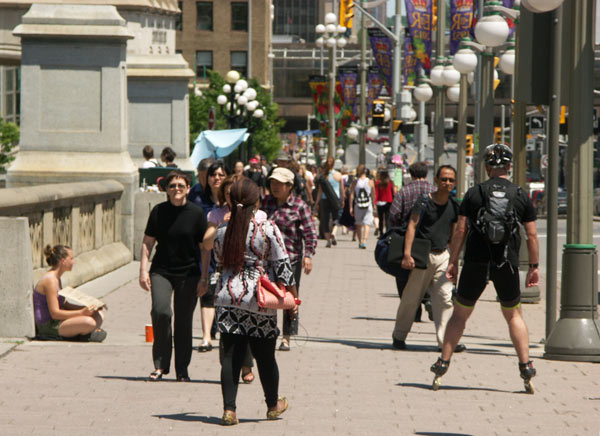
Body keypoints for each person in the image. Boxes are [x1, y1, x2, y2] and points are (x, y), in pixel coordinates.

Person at [430, 144, 539, 393]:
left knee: (460, 314)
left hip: (476, 262)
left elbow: (460, 230)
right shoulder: (520, 195)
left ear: (487, 167)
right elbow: (532, 236)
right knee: (513, 315)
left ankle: (443, 362)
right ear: (509, 167)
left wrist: (453, 261)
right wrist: (533, 267)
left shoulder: (475, 193)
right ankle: (526, 366)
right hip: (507, 263)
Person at [213, 178, 297, 425]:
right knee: (265, 355)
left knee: (230, 356)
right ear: (256, 201)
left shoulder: (221, 230)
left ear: (230, 200)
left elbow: (218, 259)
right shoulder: (268, 228)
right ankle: (272, 405)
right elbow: (283, 266)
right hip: (260, 298)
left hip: (228, 296)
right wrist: (292, 297)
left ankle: (230, 410)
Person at [139, 170, 209, 381]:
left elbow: (205, 248)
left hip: (189, 273)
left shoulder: (197, 214)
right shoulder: (159, 212)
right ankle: (160, 365)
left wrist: (204, 277)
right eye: (172, 186)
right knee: (161, 312)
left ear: (188, 188)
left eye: (181, 185)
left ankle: (182, 369)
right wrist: (143, 270)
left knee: (184, 321)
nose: (176, 189)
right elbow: (147, 242)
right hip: (162, 270)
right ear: (166, 189)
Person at [391, 165, 466, 353]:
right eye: (444, 179)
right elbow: (412, 226)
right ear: (436, 181)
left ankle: (445, 341)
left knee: (445, 298)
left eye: (450, 180)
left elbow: (455, 233)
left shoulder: (454, 205)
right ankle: (399, 336)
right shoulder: (424, 201)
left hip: (443, 256)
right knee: (411, 298)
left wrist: (453, 260)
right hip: (422, 257)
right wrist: (407, 254)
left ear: (454, 183)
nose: (447, 183)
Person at [205, 174, 267, 384]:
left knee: (245, 328)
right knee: (230, 334)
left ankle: (245, 367)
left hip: (244, 283)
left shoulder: (260, 219)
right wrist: (221, 226)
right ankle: (232, 371)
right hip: (232, 283)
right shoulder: (218, 217)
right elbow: (208, 246)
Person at [262, 167, 317, 351]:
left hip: (290, 259)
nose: (275, 186)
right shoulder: (265, 203)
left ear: (289, 186)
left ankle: (286, 337)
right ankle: (267, 331)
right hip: (266, 260)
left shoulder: (299, 206)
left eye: (279, 183)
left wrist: (308, 255)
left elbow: (310, 232)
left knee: (289, 297)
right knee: (268, 296)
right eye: (272, 182)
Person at [389, 161, 436, 322]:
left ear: (411, 174)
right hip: (429, 239)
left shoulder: (404, 191)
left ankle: (413, 312)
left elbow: (394, 213)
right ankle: (428, 299)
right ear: (427, 174)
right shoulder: (434, 190)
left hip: (406, 237)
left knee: (403, 274)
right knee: (426, 272)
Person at [190, 160, 228, 352]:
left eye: (221, 175)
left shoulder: (231, 199)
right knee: (207, 293)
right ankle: (206, 337)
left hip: (227, 255)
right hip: (204, 251)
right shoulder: (197, 198)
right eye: (213, 175)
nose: (216, 178)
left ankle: (219, 331)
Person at [34, 245, 106, 341]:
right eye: (71, 258)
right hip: (49, 325)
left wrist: (89, 308)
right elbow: (55, 313)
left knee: (99, 314)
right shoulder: (50, 281)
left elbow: (64, 304)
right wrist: (81, 313)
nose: (73, 262)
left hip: (58, 320)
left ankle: (84, 332)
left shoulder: (57, 278)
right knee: (89, 322)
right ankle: (84, 334)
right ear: (63, 261)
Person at [315, 156, 344, 248]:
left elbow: (320, 191)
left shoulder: (323, 176)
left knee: (325, 220)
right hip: (335, 199)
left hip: (324, 200)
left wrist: (316, 203)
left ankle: (328, 241)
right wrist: (342, 200)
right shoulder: (338, 175)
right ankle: (334, 233)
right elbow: (342, 190)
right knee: (336, 218)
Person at [349, 164, 376, 249]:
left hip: (358, 204)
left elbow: (352, 195)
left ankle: (360, 241)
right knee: (367, 224)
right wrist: (374, 204)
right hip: (368, 204)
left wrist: (350, 206)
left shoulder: (355, 182)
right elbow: (373, 194)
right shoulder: (370, 182)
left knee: (358, 224)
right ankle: (364, 241)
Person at [374, 168, 396, 236]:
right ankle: (387, 232)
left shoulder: (378, 182)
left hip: (380, 202)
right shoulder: (390, 182)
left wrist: (374, 202)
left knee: (381, 219)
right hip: (389, 202)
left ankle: (381, 233)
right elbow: (393, 193)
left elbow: (376, 193)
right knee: (387, 218)